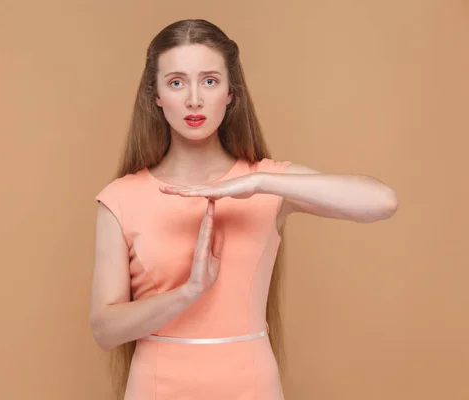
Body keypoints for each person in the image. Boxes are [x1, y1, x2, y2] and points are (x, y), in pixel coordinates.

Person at [89, 19, 398, 400]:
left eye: (209, 81)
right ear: (155, 95)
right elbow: (105, 329)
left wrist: (258, 182)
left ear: (230, 92)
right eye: (176, 82)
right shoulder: (121, 197)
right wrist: (188, 292)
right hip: (157, 387)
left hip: (251, 385)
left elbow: (382, 202)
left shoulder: (268, 184)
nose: (194, 100)